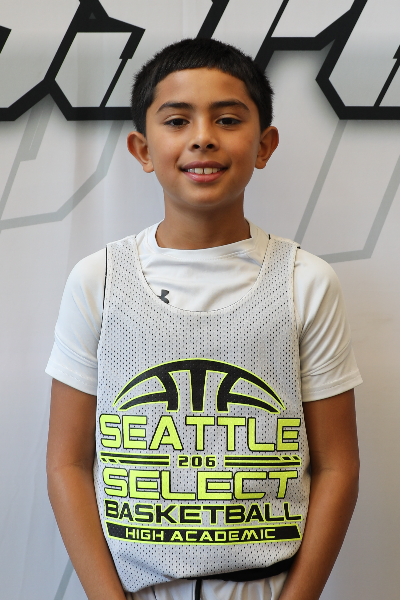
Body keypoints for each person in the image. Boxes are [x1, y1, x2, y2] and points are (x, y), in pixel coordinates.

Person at [46, 38, 362, 600]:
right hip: (133, 588)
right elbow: (67, 463)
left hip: (267, 587)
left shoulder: (305, 281)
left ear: (264, 144)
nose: (202, 137)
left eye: (228, 119)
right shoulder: (98, 279)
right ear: (143, 148)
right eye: (177, 120)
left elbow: (337, 465)